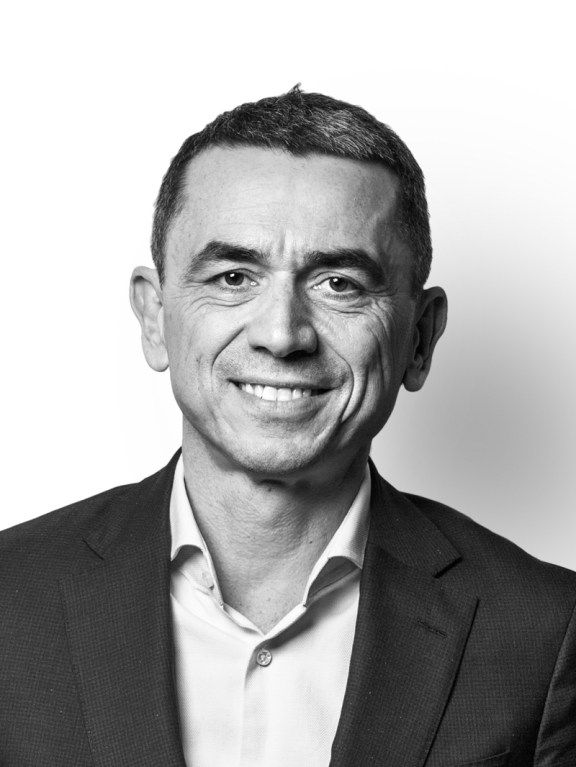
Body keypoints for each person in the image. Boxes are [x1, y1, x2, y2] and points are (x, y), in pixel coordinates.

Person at [1, 87, 575, 767]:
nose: (281, 334)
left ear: (419, 339)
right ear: (155, 318)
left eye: (339, 284)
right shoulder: (11, 599)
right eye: (233, 276)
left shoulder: (545, 633)